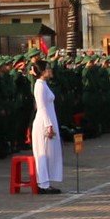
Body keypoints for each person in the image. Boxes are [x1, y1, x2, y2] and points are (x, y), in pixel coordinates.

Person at [29, 59, 63, 193]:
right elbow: (41, 107)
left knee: (49, 153)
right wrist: (48, 125)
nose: (50, 71)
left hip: (49, 119)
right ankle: (42, 183)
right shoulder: (39, 86)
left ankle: (46, 181)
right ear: (42, 72)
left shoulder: (44, 84)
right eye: (48, 69)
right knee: (43, 153)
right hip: (43, 122)